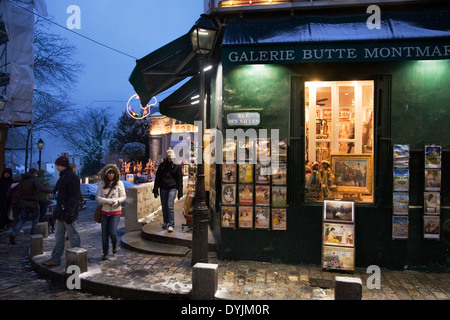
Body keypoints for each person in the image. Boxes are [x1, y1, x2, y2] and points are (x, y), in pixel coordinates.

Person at [43, 156, 82, 267]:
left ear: (63, 165)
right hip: (62, 211)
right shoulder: (64, 176)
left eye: (58, 165)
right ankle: (56, 258)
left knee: (72, 235)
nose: (56, 168)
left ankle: (78, 258)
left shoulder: (71, 177)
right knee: (59, 235)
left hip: (68, 212)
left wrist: (70, 213)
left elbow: (74, 197)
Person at [9, 168, 53, 244]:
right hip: (33, 202)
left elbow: (19, 192)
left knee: (22, 219)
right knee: (35, 219)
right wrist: (52, 191)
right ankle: (34, 236)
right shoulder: (33, 180)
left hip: (23, 202)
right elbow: (41, 188)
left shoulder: (22, 181)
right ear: (34, 173)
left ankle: (14, 232)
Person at [95, 164, 126, 260]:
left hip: (116, 211)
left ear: (115, 174)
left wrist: (117, 201)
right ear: (106, 174)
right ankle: (105, 252)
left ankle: (114, 243)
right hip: (104, 211)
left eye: (112, 173)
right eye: (109, 173)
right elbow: (97, 197)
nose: (110, 175)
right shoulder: (102, 184)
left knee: (112, 232)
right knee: (104, 234)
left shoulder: (119, 183)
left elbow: (124, 196)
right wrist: (106, 201)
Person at [153, 148, 183, 233]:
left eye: (171, 158)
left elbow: (179, 179)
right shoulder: (162, 166)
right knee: (164, 206)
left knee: (170, 205)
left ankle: (171, 224)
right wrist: (155, 189)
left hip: (172, 188)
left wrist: (180, 191)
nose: (170, 159)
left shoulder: (177, 166)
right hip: (163, 187)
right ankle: (165, 221)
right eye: (169, 158)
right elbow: (157, 178)